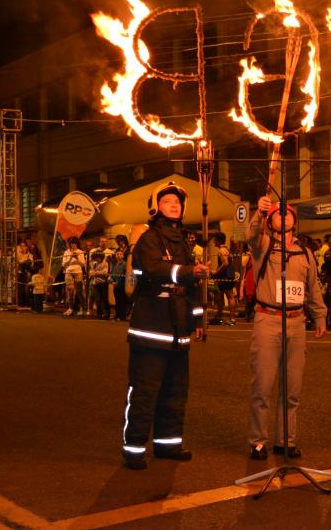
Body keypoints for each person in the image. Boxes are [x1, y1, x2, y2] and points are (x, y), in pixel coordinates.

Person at [122, 182, 210, 470]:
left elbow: (192, 287)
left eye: (178, 202)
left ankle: (167, 445)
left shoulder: (183, 242)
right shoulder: (148, 238)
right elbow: (153, 269)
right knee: (145, 391)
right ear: (156, 206)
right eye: (168, 201)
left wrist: (198, 319)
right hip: (151, 329)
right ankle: (134, 448)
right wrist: (185, 272)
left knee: (175, 390)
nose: (174, 205)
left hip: (178, 329)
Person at [246, 196, 327, 461]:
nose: (283, 216)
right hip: (267, 320)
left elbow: (313, 285)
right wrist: (259, 213)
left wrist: (320, 315)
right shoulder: (264, 245)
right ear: (270, 222)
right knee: (263, 386)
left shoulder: (305, 252)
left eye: (287, 213)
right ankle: (258, 441)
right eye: (277, 214)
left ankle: (286, 441)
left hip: (296, 322)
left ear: (295, 221)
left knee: (292, 389)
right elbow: (252, 234)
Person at [209, 232, 237, 326]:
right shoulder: (226, 249)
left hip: (225, 276)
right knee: (221, 296)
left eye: (214, 240)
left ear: (218, 240)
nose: (213, 242)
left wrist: (216, 272)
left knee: (228, 296)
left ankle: (231, 319)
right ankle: (219, 317)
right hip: (227, 275)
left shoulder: (222, 250)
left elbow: (225, 264)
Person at [62, 238, 86, 316]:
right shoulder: (66, 252)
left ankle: (83, 308)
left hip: (78, 272)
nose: (73, 245)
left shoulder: (80, 252)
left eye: (74, 243)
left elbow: (82, 264)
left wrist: (77, 258)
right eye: (71, 243)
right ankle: (70, 308)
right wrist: (71, 257)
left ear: (77, 244)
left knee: (80, 290)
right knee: (70, 290)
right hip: (68, 272)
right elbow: (64, 264)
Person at [89, 250, 110, 319]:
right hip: (95, 283)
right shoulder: (95, 264)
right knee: (98, 299)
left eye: (98, 257)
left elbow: (105, 272)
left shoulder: (105, 263)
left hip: (103, 283)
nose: (96, 259)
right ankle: (99, 313)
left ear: (101, 257)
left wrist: (95, 273)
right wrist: (95, 273)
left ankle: (106, 313)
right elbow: (90, 272)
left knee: (104, 299)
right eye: (95, 257)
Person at [111, 249, 129, 321]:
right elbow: (112, 275)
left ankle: (122, 316)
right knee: (117, 300)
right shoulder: (115, 265)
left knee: (122, 300)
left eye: (120, 254)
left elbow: (124, 275)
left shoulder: (125, 264)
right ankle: (117, 315)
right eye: (117, 254)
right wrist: (112, 281)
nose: (119, 255)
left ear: (123, 256)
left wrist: (117, 282)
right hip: (115, 285)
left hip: (121, 285)